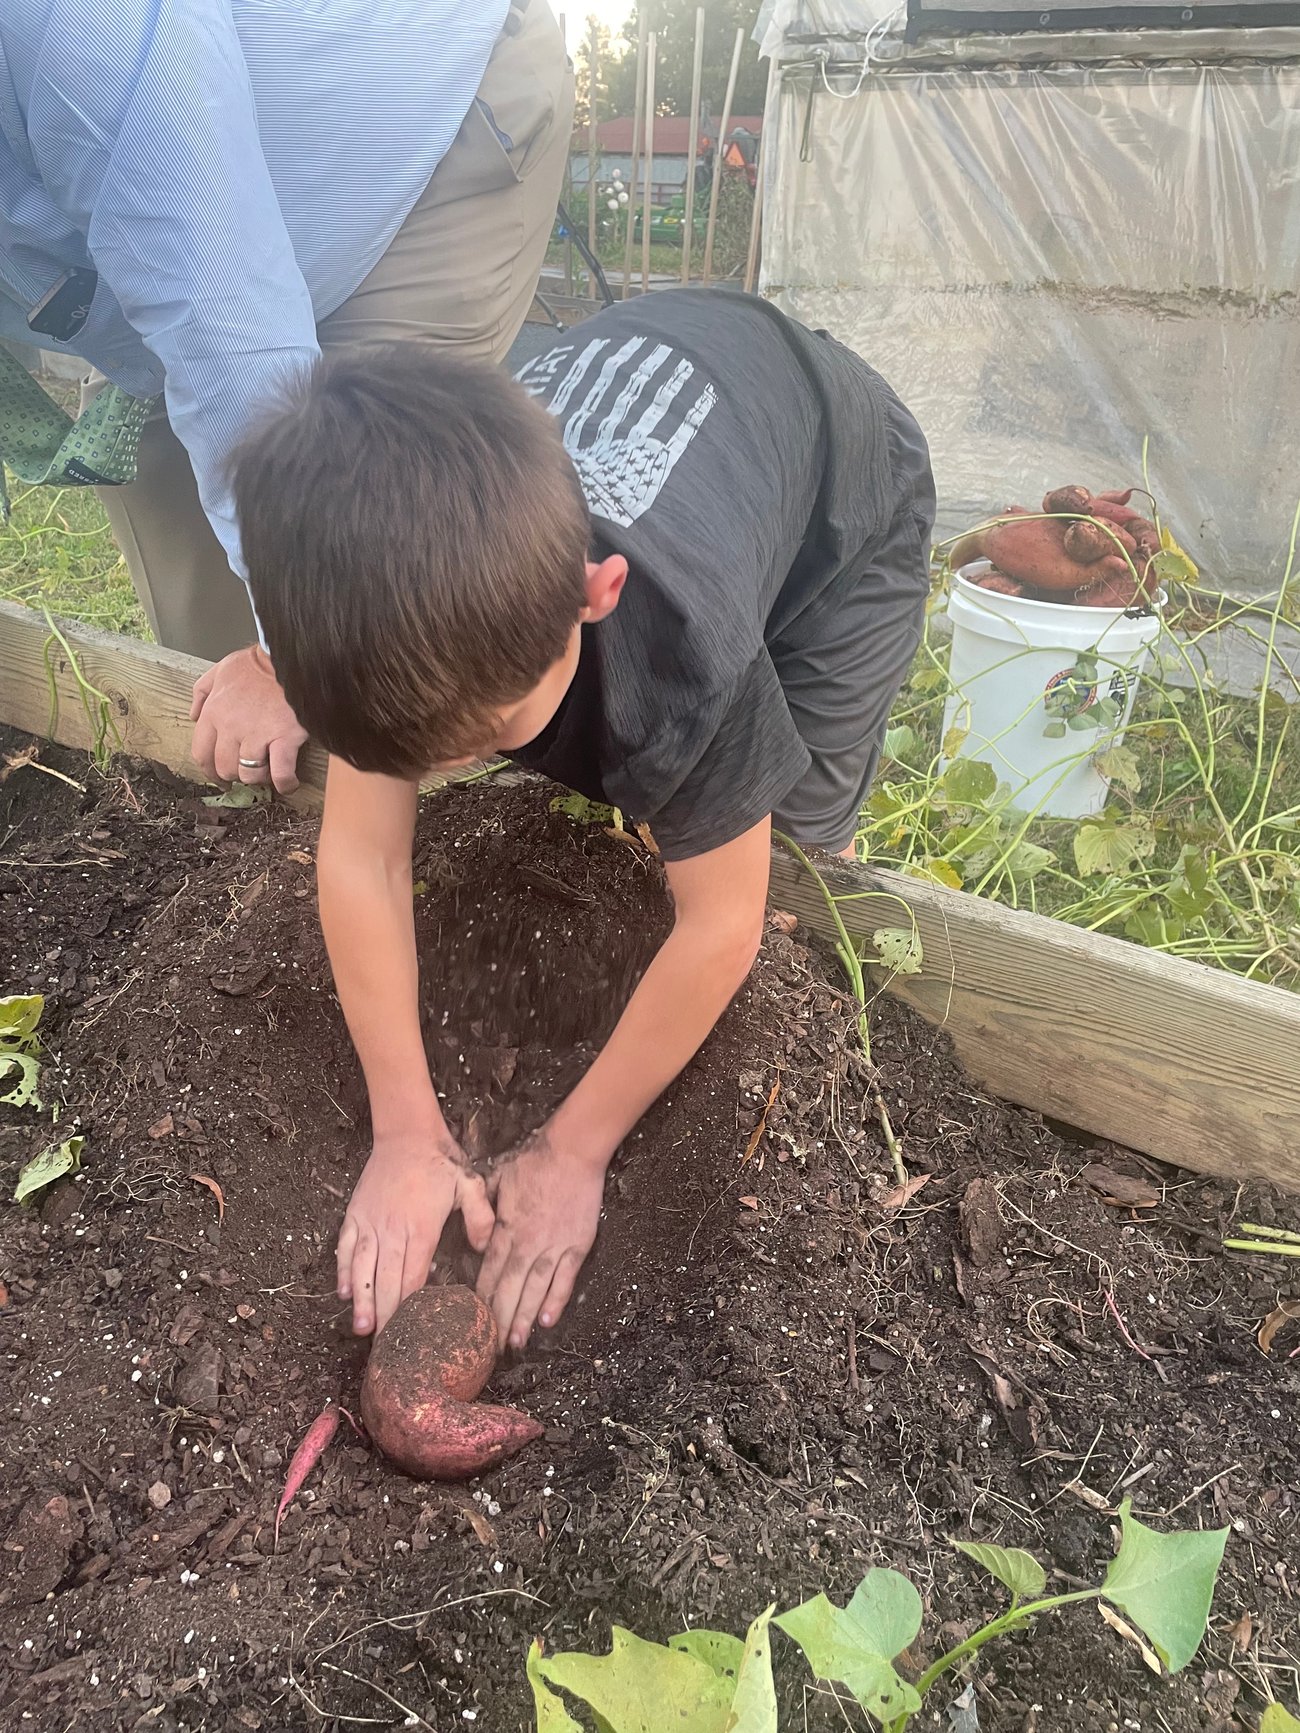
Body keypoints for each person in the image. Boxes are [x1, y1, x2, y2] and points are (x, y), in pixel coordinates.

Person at [233, 287, 936, 1352]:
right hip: (685, 383)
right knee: (590, 763)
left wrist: (573, 1150)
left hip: (842, 496)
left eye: (480, 738)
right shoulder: (398, 598)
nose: (448, 770)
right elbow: (363, 857)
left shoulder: (683, 657)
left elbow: (719, 928)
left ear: (593, 593)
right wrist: (406, 1131)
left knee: (789, 849)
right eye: (418, 757)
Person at [0, 0, 571, 790]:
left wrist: (293, 655)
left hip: (417, 135)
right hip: (200, 218)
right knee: (175, 513)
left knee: (380, 545)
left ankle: (393, 833)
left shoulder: (74, 27)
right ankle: (240, 823)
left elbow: (224, 318)